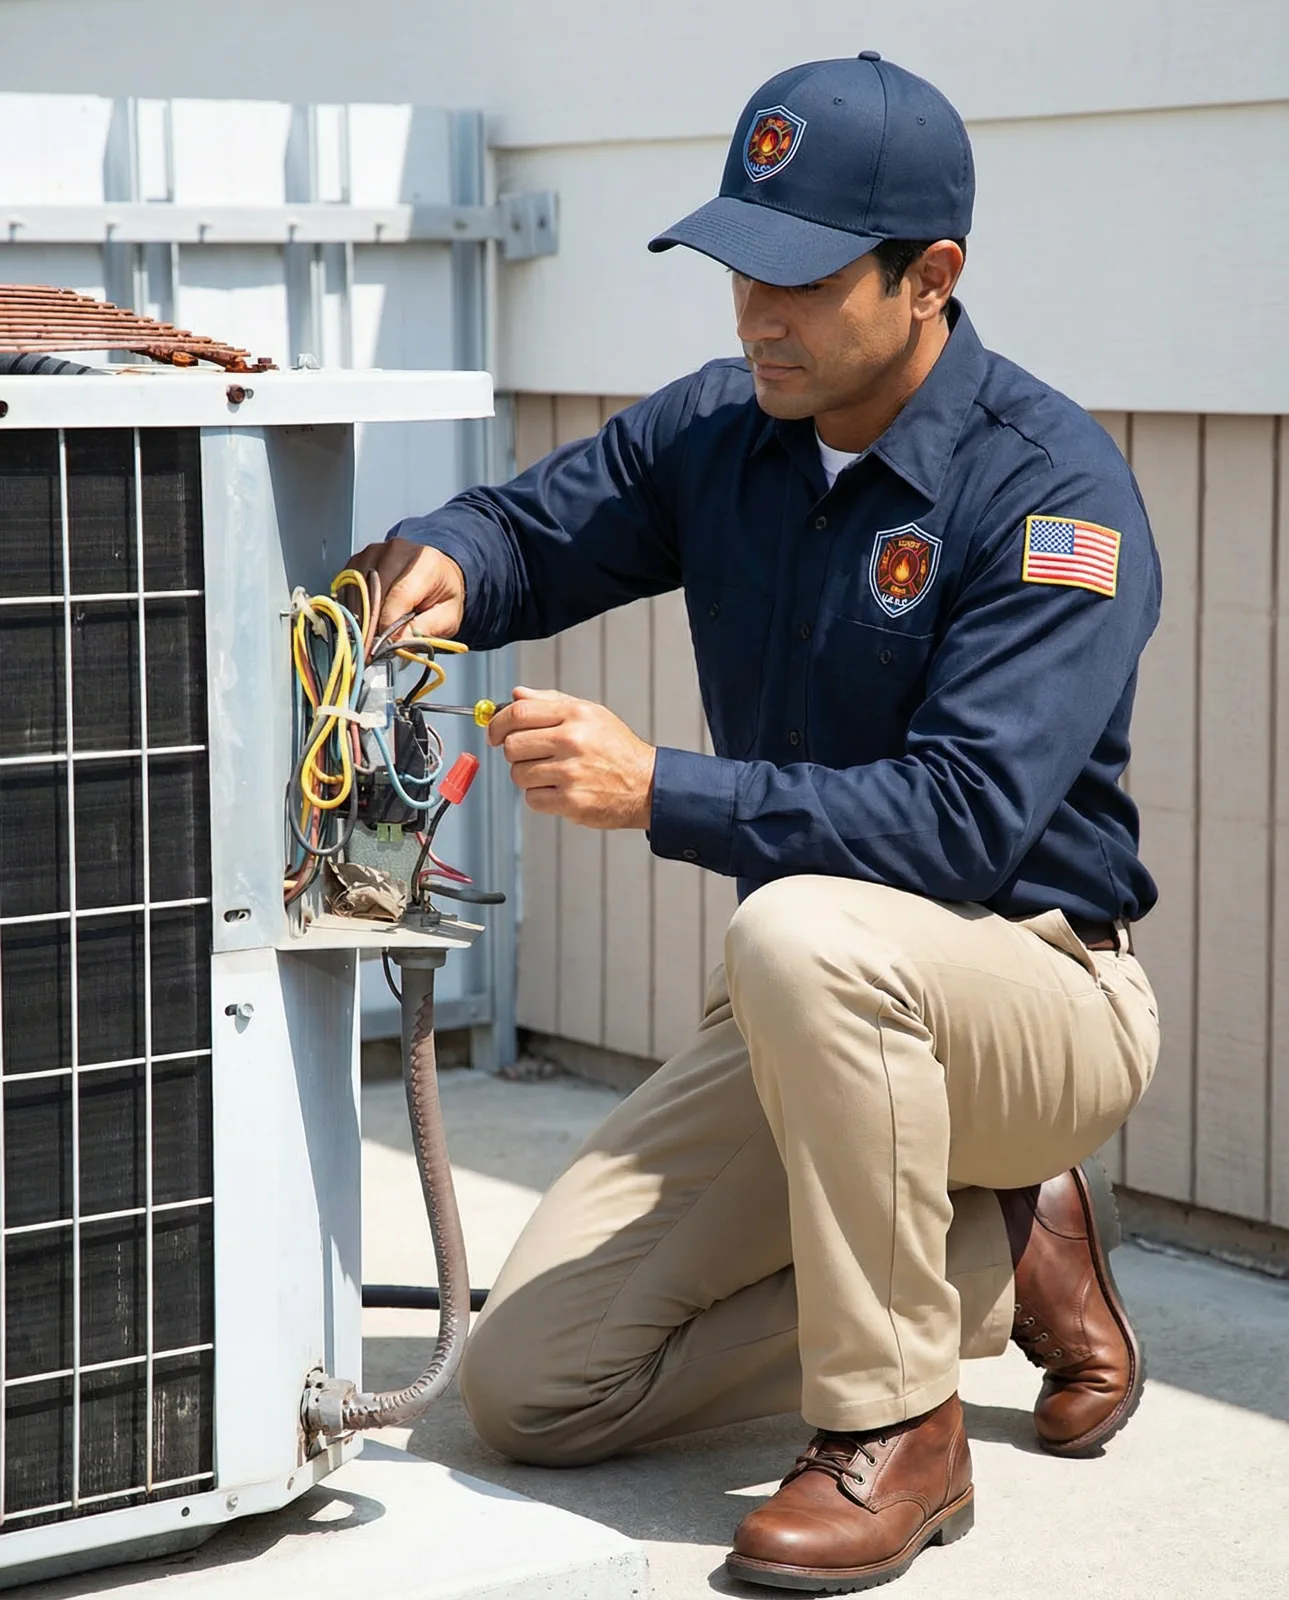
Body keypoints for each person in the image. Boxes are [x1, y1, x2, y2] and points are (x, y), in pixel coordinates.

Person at [346, 51, 1161, 1595]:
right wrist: (440, 560)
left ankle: (897, 1430)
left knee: (793, 932)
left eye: (802, 278)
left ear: (932, 277)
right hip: (820, 1008)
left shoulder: (1054, 494)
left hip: (1043, 990)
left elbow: (964, 824)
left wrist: (658, 787)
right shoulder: (723, 431)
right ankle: (988, 1247)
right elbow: (531, 532)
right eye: (739, 267)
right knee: (532, 1386)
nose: (755, 315)